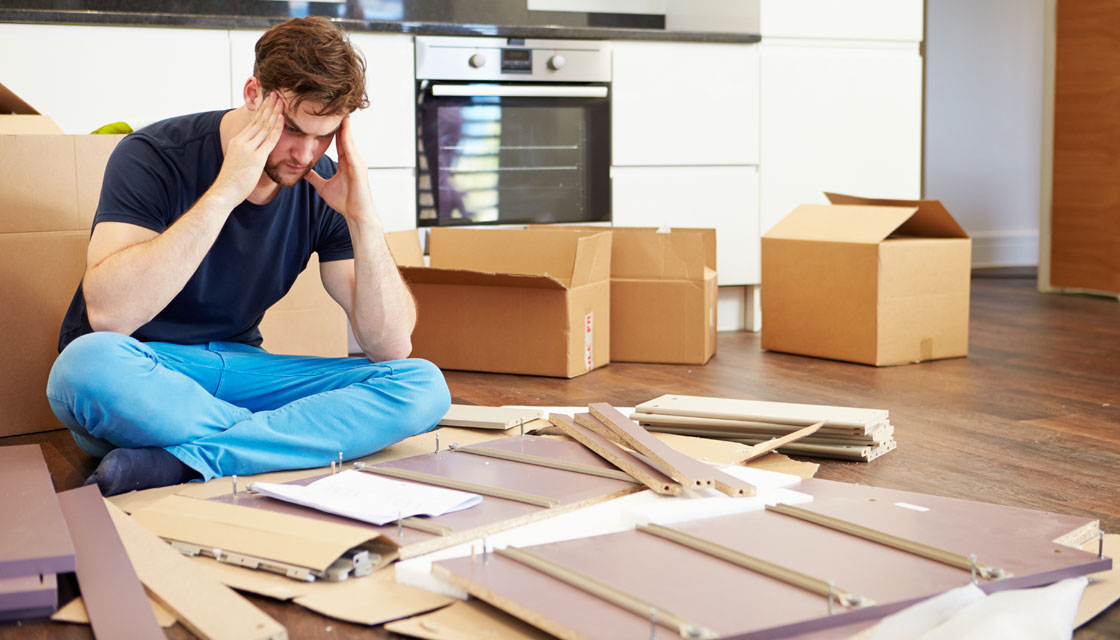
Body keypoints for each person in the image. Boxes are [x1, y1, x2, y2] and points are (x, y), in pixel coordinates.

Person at [45, 17, 450, 497]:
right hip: (145, 372)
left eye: (325, 135)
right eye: (293, 130)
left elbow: (390, 346)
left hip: (243, 370)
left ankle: (187, 459)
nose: (305, 154)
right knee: (84, 366)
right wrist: (225, 192)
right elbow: (111, 315)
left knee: (422, 384)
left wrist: (364, 218)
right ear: (253, 93)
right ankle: (289, 437)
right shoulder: (151, 155)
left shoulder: (322, 180)